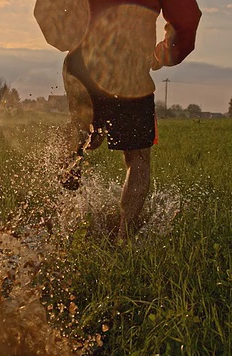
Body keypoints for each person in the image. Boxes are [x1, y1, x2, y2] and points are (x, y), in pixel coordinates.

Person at [35, 0, 201, 240]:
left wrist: (69, 39)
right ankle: (124, 237)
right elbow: (186, 20)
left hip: (83, 60)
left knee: (81, 134)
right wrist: (161, 53)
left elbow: (46, 7)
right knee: (137, 156)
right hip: (129, 66)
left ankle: (58, 214)